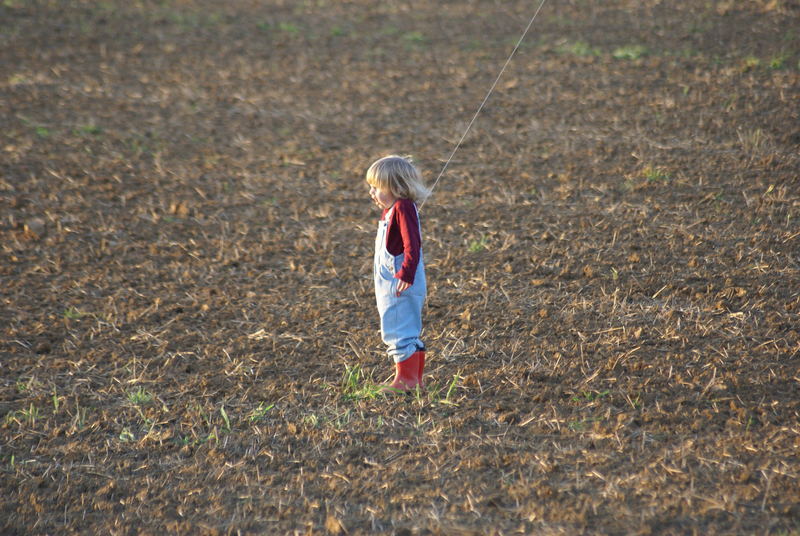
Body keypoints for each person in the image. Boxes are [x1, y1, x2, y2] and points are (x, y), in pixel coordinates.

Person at [366, 155, 430, 392]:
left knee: (397, 326)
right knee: (402, 325)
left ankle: (406, 380)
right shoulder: (391, 209)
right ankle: (414, 381)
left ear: (395, 187)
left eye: (377, 187)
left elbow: (412, 244)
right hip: (390, 279)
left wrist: (406, 273)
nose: (372, 192)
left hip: (400, 280)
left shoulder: (403, 208)